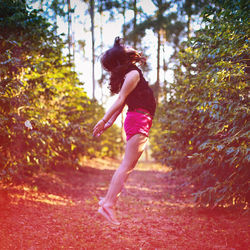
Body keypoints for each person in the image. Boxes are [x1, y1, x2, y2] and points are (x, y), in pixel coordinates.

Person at [93, 37, 156, 225]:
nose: (128, 46)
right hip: (139, 120)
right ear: (121, 56)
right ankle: (108, 205)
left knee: (126, 165)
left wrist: (110, 122)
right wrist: (104, 119)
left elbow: (122, 104)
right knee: (126, 166)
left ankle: (106, 201)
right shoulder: (133, 74)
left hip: (137, 119)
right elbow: (120, 100)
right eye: (124, 47)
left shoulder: (129, 74)